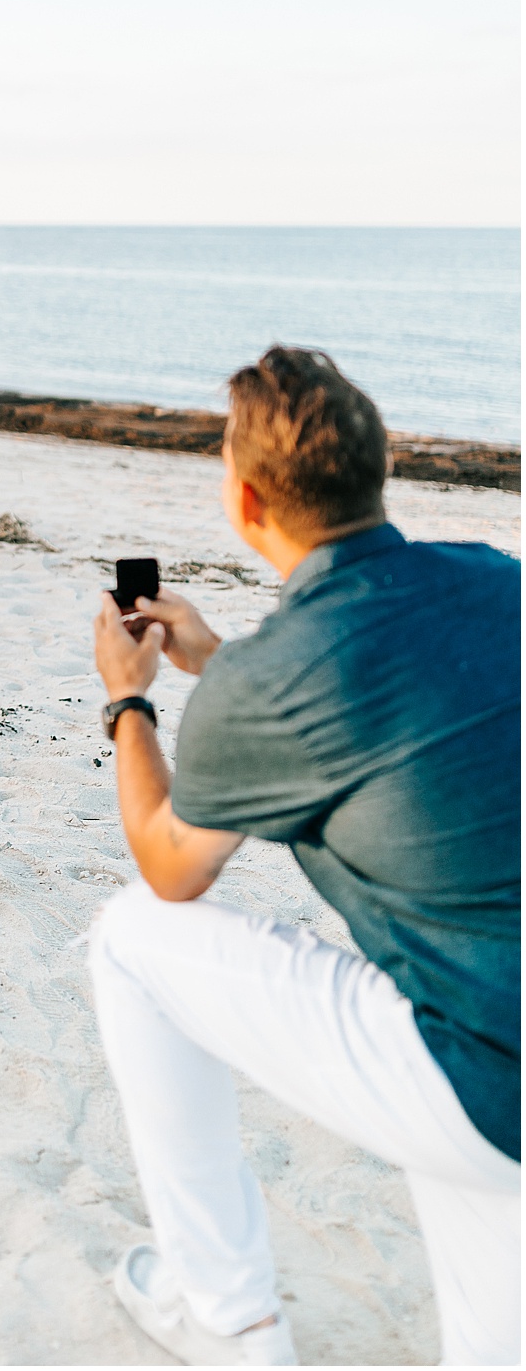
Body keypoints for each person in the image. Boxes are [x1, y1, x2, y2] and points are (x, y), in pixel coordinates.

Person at [89, 345, 520, 1367]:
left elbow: (171, 866)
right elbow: (396, 698)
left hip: (483, 1075)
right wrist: (225, 664)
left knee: (129, 942)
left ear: (244, 502)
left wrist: (130, 698)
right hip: (497, 1039)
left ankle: (229, 1319)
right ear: (381, 472)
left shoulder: (278, 679)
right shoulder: (497, 579)